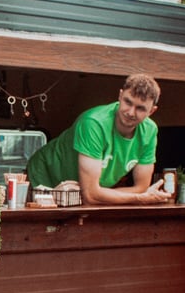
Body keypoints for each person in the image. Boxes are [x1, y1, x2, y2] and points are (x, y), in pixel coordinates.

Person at [26, 73, 170, 205]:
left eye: (140, 108)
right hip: (43, 177)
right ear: (120, 96)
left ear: (152, 111)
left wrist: (104, 194)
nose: (131, 112)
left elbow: (141, 187)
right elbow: (91, 195)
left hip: (81, 191)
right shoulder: (93, 123)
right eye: (128, 102)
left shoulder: (150, 131)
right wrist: (138, 198)